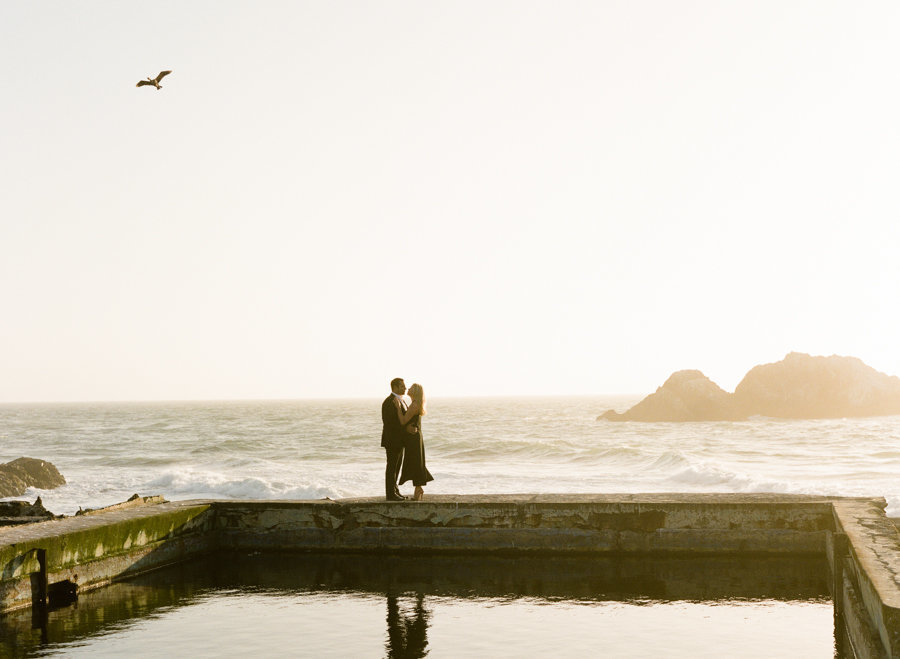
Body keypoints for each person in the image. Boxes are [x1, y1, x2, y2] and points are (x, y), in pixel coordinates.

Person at [396, 383, 433, 501]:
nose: (408, 388)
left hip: (413, 439)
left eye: (411, 388)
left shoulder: (414, 405)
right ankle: (418, 488)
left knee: (415, 462)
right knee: (417, 461)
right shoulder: (417, 404)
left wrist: (397, 408)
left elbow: (403, 421)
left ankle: (418, 489)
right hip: (416, 437)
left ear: (415, 391)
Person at [381, 378, 409, 501]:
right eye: (402, 386)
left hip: (399, 441)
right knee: (392, 467)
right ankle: (390, 494)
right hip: (393, 440)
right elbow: (390, 423)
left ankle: (395, 490)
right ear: (395, 387)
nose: (405, 388)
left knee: (397, 467)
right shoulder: (389, 402)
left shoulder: (400, 400)